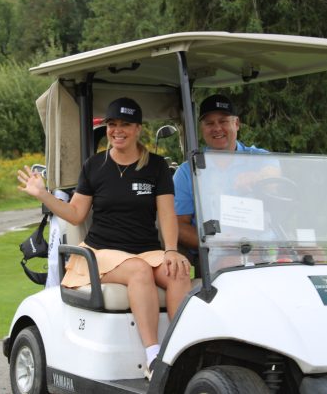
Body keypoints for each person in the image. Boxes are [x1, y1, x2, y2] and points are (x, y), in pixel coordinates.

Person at [18, 97, 192, 380]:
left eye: (125, 124)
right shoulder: (94, 166)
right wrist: (43, 195)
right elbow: (76, 214)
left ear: (138, 129)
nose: (117, 130)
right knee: (139, 271)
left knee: (179, 272)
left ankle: (181, 350)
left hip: (145, 249)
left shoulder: (157, 167)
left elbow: (167, 214)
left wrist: (171, 250)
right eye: (112, 124)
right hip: (100, 251)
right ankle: (154, 358)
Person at [173, 94, 278, 251]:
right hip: (216, 256)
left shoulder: (257, 158)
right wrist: (217, 244)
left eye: (223, 121)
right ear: (202, 128)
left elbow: (274, 174)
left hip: (261, 249)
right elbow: (179, 225)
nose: (217, 128)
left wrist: (257, 177)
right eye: (209, 123)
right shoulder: (187, 171)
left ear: (236, 123)